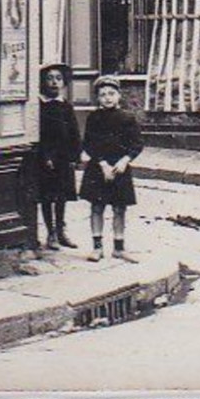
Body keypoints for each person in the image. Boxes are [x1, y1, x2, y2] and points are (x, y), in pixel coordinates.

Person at [79, 74, 145, 263]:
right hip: (98, 167)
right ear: (98, 98)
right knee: (97, 207)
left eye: (111, 93)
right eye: (103, 94)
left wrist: (125, 160)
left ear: (118, 96)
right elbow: (89, 144)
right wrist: (102, 164)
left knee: (119, 208)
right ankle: (97, 247)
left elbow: (137, 143)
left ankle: (119, 247)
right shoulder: (93, 118)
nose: (107, 98)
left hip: (119, 168)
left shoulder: (127, 118)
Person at [36, 63, 81, 249]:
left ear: (63, 83)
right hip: (46, 158)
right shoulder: (40, 105)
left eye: (58, 79)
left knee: (62, 195)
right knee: (47, 196)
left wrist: (75, 156)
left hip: (63, 157)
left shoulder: (65, 106)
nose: (54, 82)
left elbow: (74, 132)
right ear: (43, 82)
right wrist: (45, 155)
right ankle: (51, 233)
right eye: (50, 78)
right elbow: (37, 133)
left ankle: (61, 231)